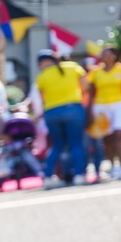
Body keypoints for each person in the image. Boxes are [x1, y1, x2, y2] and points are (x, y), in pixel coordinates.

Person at [35, 51, 88, 188]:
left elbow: (42, 98)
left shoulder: (41, 76)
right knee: (76, 143)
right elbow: (86, 86)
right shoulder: (72, 66)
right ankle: (79, 175)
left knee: (57, 145)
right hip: (73, 108)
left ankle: (47, 177)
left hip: (51, 112)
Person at [87, 46, 121, 178]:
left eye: (108, 54)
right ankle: (113, 166)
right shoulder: (95, 72)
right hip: (101, 106)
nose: (105, 56)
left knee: (119, 134)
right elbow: (91, 93)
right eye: (103, 54)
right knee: (107, 138)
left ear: (113, 56)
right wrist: (89, 110)